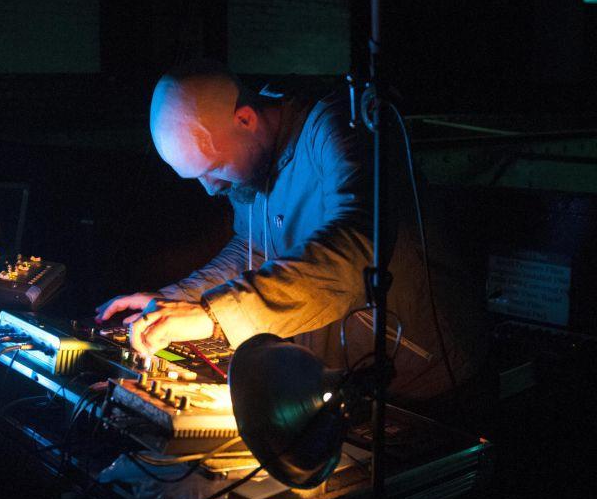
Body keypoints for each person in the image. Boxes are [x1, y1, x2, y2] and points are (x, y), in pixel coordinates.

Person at [95, 60, 486, 406]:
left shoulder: (335, 125)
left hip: (425, 386)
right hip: (345, 385)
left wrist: (213, 316)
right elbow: (254, 249)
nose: (211, 188)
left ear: (245, 119)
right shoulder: (250, 156)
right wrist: (173, 301)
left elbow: (358, 251)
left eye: (212, 167)